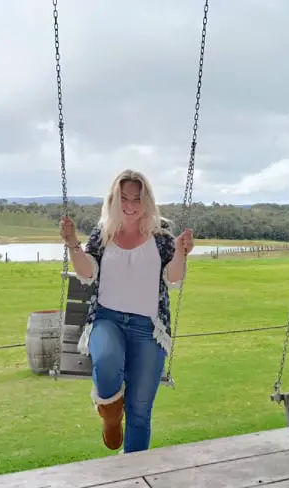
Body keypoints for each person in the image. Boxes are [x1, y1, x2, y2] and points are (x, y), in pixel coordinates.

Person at [59, 169, 194, 454]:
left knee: (140, 412)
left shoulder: (161, 236)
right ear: (113, 199)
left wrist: (182, 252)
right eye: (124, 198)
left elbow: (173, 278)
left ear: (147, 201)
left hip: (149, 327)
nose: (130, 205)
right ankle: (110, 415)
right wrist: (72, 243)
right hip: (107, 319)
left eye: (137, 199)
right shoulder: (104, 232)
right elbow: (87, 272)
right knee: (106, 361)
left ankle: (133, 476)